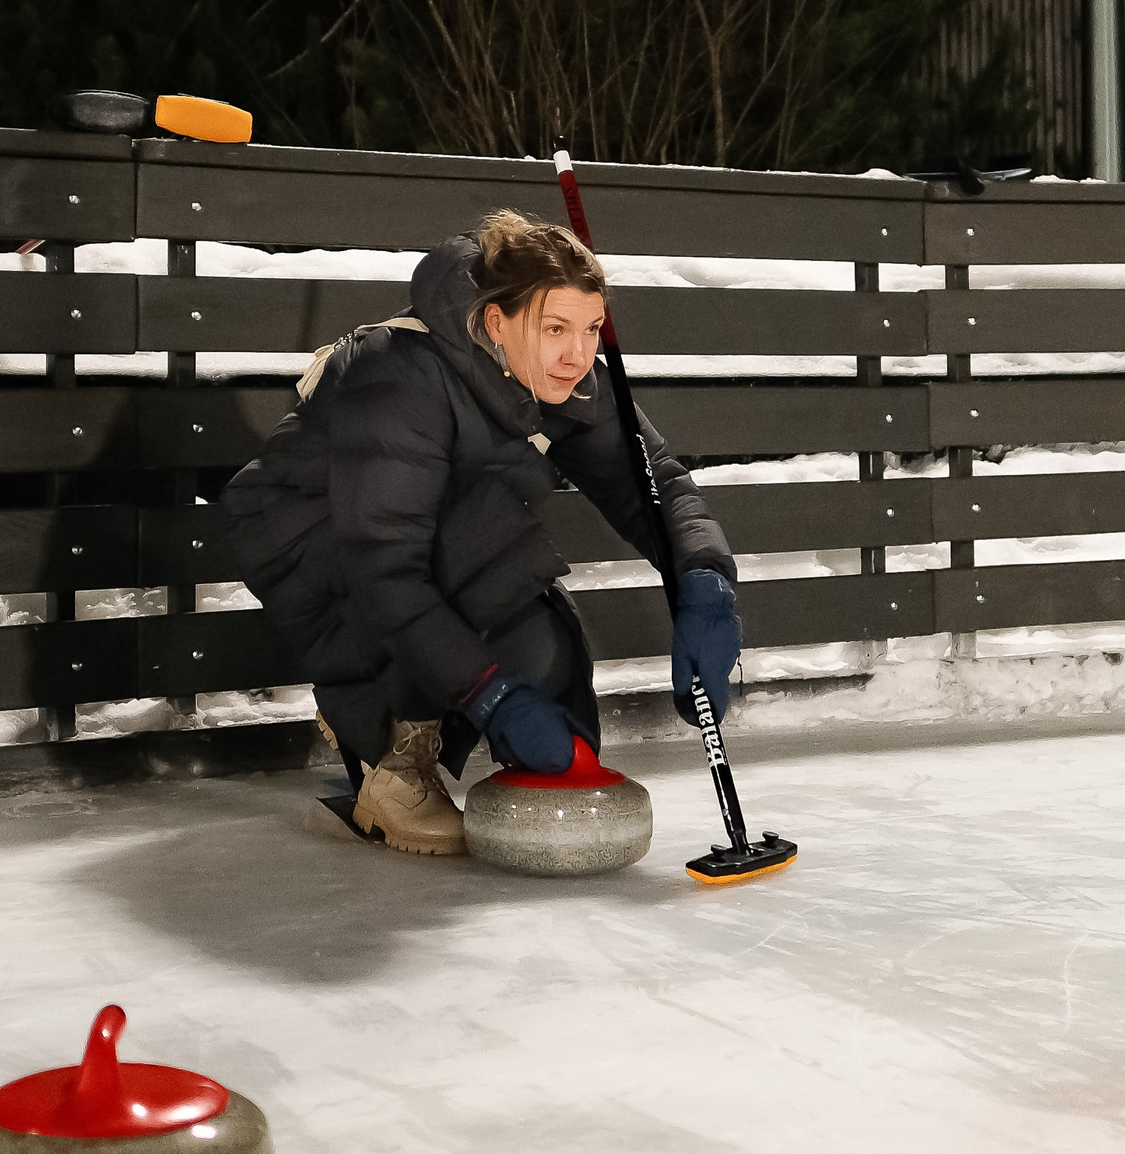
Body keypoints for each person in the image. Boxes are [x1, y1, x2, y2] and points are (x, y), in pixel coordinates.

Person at [225, 211, 743, 855]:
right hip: (313, 532)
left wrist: (704, 579)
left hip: (436, 530)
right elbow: (384, 567)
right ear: (497, 321)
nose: (577, 352)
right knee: (455, 562)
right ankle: (393, 749)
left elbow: (651, 479)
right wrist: (492, 695)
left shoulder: (566, 374)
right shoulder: (399, 373)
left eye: (590, 328)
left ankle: (499, 725)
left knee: (541, 646)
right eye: (555, 328)